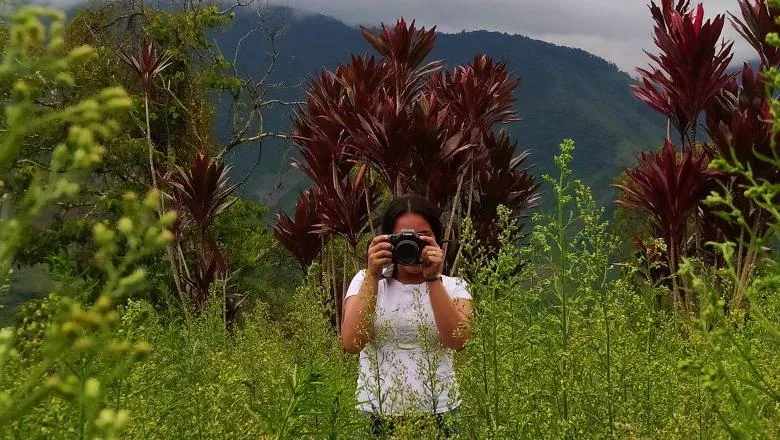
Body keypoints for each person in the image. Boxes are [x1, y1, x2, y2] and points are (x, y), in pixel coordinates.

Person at [340, 194, 473, 438]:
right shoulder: (365, 281)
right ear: (385, 241)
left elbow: (457, 341)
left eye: (423, 237)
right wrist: (373, 274)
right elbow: (351, 343)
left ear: (437, 240)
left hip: (440, 411)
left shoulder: (454, 287)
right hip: (375, 412)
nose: (413, 245)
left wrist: (432, 278)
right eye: (402, 238)